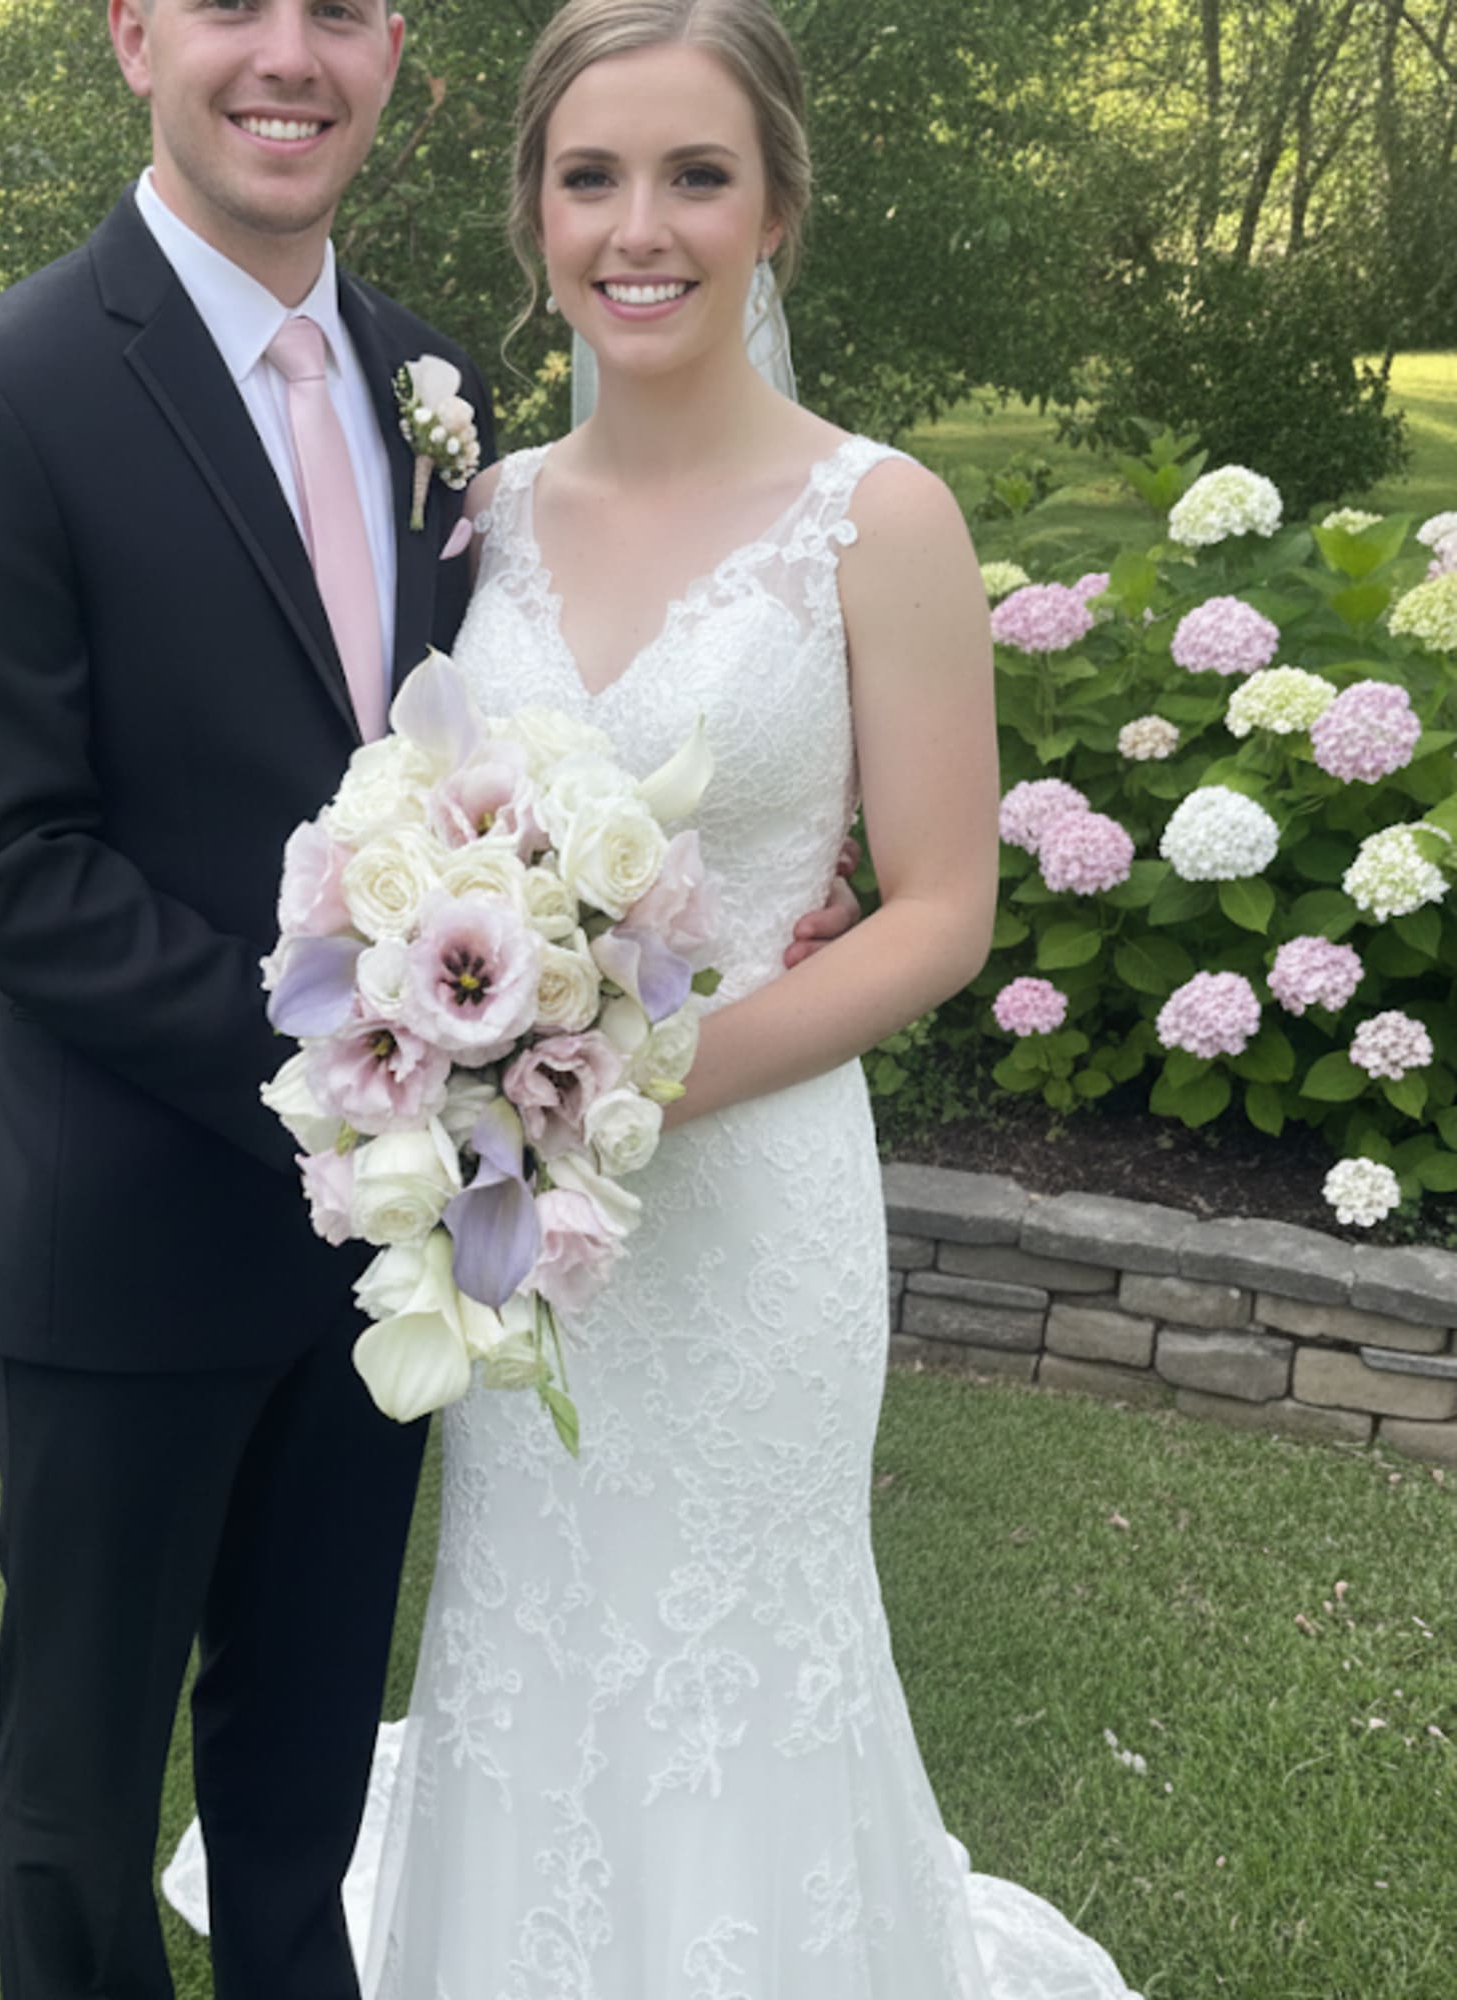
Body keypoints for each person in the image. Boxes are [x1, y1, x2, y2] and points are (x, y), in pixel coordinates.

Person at [0, 0, 863, 1992]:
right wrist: (389, 1076)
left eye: (338, 9)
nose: (286, 56)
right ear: (134, 35)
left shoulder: (433, 379)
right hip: (137, 1229)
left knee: (304, 1773)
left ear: (395, 48)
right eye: (231, 4)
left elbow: (502, 746)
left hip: (390, 1261)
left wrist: (651, 934)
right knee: (79, 1793)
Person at [332, 0, 1143, 1993]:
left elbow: (936, 907)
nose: (641, 227)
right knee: (532, 1582)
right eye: (589, 175)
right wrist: (465, 1048)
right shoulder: (482, 513)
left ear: (778, 203)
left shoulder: (878, 520)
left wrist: (630, 1074)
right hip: (525, 1207)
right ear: (532, 210)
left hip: (755, 1191)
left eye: (697, 173)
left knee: (742, 1611)